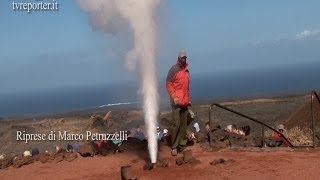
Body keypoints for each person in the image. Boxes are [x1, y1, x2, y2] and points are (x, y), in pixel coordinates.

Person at [166, 50, 193, 156]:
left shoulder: (186, 71)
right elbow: (169, 84)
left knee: (183, 125)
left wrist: (188, 99)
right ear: (178, 58)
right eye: (182, 57)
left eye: (185, 57)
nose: (184, 59)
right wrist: (174, 97)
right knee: (176, 124)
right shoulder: (174, 70)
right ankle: (174, 147)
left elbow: (187, 88)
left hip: (185, 102)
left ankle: (182, 146)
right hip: (176, 103)